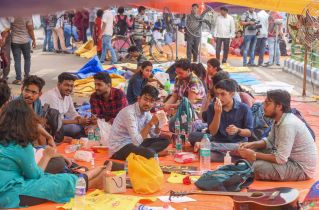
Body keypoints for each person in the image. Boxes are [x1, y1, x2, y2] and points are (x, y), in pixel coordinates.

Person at [0, 99, 113, 208]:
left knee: (56, 177)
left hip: (9, 187)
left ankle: (91, 175)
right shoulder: (22, 145)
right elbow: (35, 176)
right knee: (55, 183)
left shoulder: (7, 140)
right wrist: (47, 156)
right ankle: (94, 182)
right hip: (10, 194)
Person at [238, 90, 317, 181]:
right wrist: (251, 145)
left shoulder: (288, 124)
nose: (263, 107)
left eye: (267, 103)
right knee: (252, 152)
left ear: (279, 106)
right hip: (288, 159)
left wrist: (255, 155)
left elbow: (280, 159)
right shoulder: (279, 119)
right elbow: (270, 141)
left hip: (300, 168)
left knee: (257, 167)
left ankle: (252, 165)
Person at [193, 79, 253, 162]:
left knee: (241, 149)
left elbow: (249, 132)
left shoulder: (244, 108)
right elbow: (213, 132)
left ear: (232, 94)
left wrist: (238, 130)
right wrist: (218, 113)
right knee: (204, 154)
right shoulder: (212, 107)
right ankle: (234, 158)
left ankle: (229, 155)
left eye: (223, 94)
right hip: (219, 143)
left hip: (237, 144)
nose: (219, 98)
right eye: (217, 94)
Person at [109, 85, 170, 160]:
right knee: (148, 153)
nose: (147, 103)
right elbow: (136, 142)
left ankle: (150, 152)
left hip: (134, 144)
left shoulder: (146, 113)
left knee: (165, 140)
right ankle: (152, 153)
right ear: (139, 98)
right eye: (145, 99)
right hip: (120, 147)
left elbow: (154, 135)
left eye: (151, 101)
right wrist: (151, 123)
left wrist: (159, 124)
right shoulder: (129, 113)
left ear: (154, 103)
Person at [40, 73, 90, 139]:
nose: (69, 88)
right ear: (59, 85)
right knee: (74, 128)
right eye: (66, 85)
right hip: (49, 126)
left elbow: (72, 112)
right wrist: (78, 122)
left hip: (59, 123)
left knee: (87, 124)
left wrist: (80, 119)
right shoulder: (52, 96)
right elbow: (55, 121)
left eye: (71, 86)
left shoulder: (67, 96)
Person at [11, 17, 36, 85]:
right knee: (27, 59)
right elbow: (30, 29)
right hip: (25, 41)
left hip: (15, 40)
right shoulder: (27, 14)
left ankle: (18, 79)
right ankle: (27, 77)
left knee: (17, 60)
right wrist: (34, 40)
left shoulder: (12, 14)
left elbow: (9, 26)